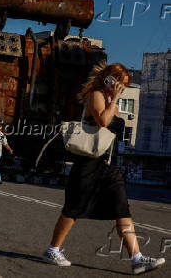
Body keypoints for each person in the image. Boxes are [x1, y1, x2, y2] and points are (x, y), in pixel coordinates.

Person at [42, 63, 166, 275]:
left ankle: (137, 259)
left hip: (110, 166)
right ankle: (52, 249)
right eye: (121, 83)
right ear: (110, 79)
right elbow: (103, 120)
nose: (123, 88)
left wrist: (115, 103)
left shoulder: (112, 102)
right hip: (90, 163)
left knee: (122, 209)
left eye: (126, 85)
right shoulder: (96, 95)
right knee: (73, 208)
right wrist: (115, 101)